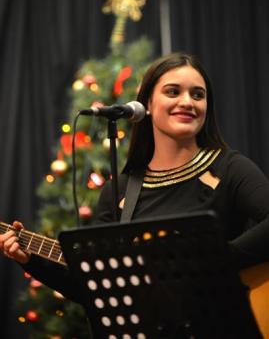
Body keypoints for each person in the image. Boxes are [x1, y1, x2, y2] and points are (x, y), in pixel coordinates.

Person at [1, 52, 269, 306]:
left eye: (198, 95)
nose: (187, 102)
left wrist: (212, 264)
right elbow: (95, 288)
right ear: (147, 105)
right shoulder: (118, 192)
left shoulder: (231, 168)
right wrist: (30, 261)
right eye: (173, 92)